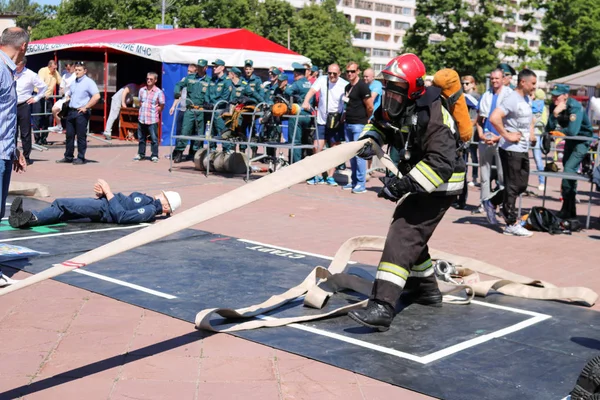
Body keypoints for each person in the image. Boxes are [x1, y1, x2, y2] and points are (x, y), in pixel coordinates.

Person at [347, 53, 465, 331]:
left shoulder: (434, 116)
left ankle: (382, 306)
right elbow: (378, 123)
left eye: (395, 89)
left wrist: (404, 184)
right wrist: (370, 139)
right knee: (413, 233)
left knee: (404, 229)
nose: (389, 95)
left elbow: (441, 163)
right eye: (387, 87)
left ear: (412, 90)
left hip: (442, 184)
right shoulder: (396, 105)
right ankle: (425, 290)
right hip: (421, 178)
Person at [8, 179, 181, 228]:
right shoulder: (150, 204)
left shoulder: (150, 209)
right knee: (65, 212)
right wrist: (104, 194)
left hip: (103, 210)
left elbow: (122, 216)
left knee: (62, 204)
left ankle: (29, 218)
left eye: (163, 196)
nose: (160, 195)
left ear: (166, 206)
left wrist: (107, 192)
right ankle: (28, 219)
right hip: (104, 205)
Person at [488, 69, 537, 237]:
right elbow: (494, 117)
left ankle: (492, 201)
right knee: (513, 185)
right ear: (523, 82)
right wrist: (507, 135)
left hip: (523, 148)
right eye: (533, 84)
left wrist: (531, 133)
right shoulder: (512, 99)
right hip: (510, 149)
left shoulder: (526, 99)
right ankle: (511, 223)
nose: (534, 87)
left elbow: (530, 118)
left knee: (521, 185)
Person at [0, 27, 29, 288]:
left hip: (4, 151)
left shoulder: (7, 70)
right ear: (23, 47)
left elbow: (7, 116)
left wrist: (15, 149)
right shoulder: (1, 68)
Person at [546, 83, 594, 219]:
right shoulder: (554, 106)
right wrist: (554, 114)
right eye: (553, 96)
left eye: (558, 96)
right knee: (568, 173)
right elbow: (548, 128)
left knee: (568, 169)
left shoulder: (575, 107)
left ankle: (568, 209)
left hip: (582, 140)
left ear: (566, 96)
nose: (555, 99)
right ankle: (569, 209)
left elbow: (573, 131)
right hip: (570, 140)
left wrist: (558, 131)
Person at [301, 63, 347, 185]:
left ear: (339, 73)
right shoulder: (322, 79)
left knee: (334, 150)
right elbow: (312, 91)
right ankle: (318, 174)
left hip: (336, 120)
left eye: (334, 73)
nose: (331, 75)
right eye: (329, 73)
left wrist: (344, 114)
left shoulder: (344, 84)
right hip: (322, 119)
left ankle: (330, 176)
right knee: (317, 147)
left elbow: (349, 101)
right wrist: (306, 101)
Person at [476, 68, 511, 224]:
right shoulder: (486, 95)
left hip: (501, 140)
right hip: (485, 139)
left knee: (503, 176)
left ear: (503, 79)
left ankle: (502, 205)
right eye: (492, 78)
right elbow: (479, 119)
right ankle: (485, 204)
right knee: (484, 175)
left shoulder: (509, 96)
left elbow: (511, 122)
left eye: (497, 78)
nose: (494, 81)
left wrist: (499, 136)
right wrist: (480, 134)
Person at [56, 62, 100, 165]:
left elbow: (97, 96)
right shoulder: (73, 82)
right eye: (76, 70)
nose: (77, 72)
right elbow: (70, 95)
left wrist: (86, 107)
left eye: (79, 70)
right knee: (69, 135)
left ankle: (81, 157)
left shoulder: (89, 82)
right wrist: (65, 103)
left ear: (85, 71)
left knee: (81, 136)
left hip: (81, 112)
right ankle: (68, 156)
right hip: (71, 111)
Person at [342, 61, 373, 194]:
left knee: (359, 155)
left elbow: (370, 106)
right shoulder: (347, 87)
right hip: (348, 124)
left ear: (358, 71)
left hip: (359, 124)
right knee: (351, 155)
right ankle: (354, 181)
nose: (350, 74)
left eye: (352, 71)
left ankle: (361, 184)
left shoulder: (363, 87)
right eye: (348, 71)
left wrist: (366, 119)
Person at [171, 61, 210, 162]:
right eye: (199, 67)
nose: (200, 69)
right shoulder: (190, 78)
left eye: (202, 67)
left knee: (199, 133)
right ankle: (179, 152)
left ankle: (196, 154)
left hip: (201, 110)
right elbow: (178, 85)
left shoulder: (209, 80)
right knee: (185, 131)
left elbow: (213, 93)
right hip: (190, 109)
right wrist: (177, 93)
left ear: (206, 68)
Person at [15, 56, 47, 165]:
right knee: (11, 131)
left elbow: (43, 87)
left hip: (24, 104)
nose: (15, 66)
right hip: (11, 105)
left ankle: (26, 156)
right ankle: (12, 155)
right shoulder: (10, 72)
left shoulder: (31, 75)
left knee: (25, 132)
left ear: (23, 64)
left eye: (17, 64)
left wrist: (36, 98)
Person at [284, 62, 313, 164]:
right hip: (309, 116)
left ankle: (295, 165)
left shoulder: (297, 84)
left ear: (296, 73)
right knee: (305, 142)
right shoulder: (309, 83)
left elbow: (287, 91)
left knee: (295, 142)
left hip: (298, 116)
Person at [134, 72, 165, 162]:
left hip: (152, 118)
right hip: (142, 118)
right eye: (147, 78)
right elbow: (140, 102)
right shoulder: (142, 90)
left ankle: (154, 155)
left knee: (154, 138)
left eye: (151, 79)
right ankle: (141, 154)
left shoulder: (158, 92)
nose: (148, 80)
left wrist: (157, 111)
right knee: (141, 138)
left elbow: (162, 104)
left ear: (155, 80)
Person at [33, 60, 61, 145]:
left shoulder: (55, 73)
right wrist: (43, 94)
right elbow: (41, 84)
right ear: (49, 66)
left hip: (48, 97)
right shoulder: (43, 71)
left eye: (56, 68)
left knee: (49, 118)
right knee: (37, 117)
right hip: (39, 96)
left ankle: (44, 137)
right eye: (53, 68)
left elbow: (61, 82)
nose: (55, 69)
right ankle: (37, 139)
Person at [49, 61, 76, 134]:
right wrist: (61, 90)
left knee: (71, 118)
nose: (68, 70)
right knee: (54, 109)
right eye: (67, 69)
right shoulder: (65, 76)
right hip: (65, 98)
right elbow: (61, 88)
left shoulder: (76, 76)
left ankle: (74, 138)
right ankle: (59, 126)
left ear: (73, 66)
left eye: (69, 68)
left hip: (73, 99)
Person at [531, 89, 548, 191]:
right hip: (536, 134)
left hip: (533, 134)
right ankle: (541, 182)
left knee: (537, 159)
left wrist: (532, 125)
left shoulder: (530, 105)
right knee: (538, 159)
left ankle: (541, 181)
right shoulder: (543, 107)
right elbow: (544, 122)